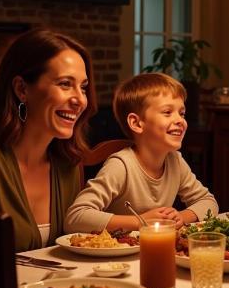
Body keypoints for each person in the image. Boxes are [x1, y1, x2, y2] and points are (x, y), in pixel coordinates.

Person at [0, 28, 96, 264]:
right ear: (22, 89)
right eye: (65, 84)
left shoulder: (67, 162)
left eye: (83, 87)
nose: (80, 100)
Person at [65, 72, 218, 232]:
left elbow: (208, 202)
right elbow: (76, 217)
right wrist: (141, 221)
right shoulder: (121, 166)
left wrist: (181, 217)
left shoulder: (175, 161)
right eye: (167, 112)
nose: (180, 120)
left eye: (181, 113)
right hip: (117, 254)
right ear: (137, 123)